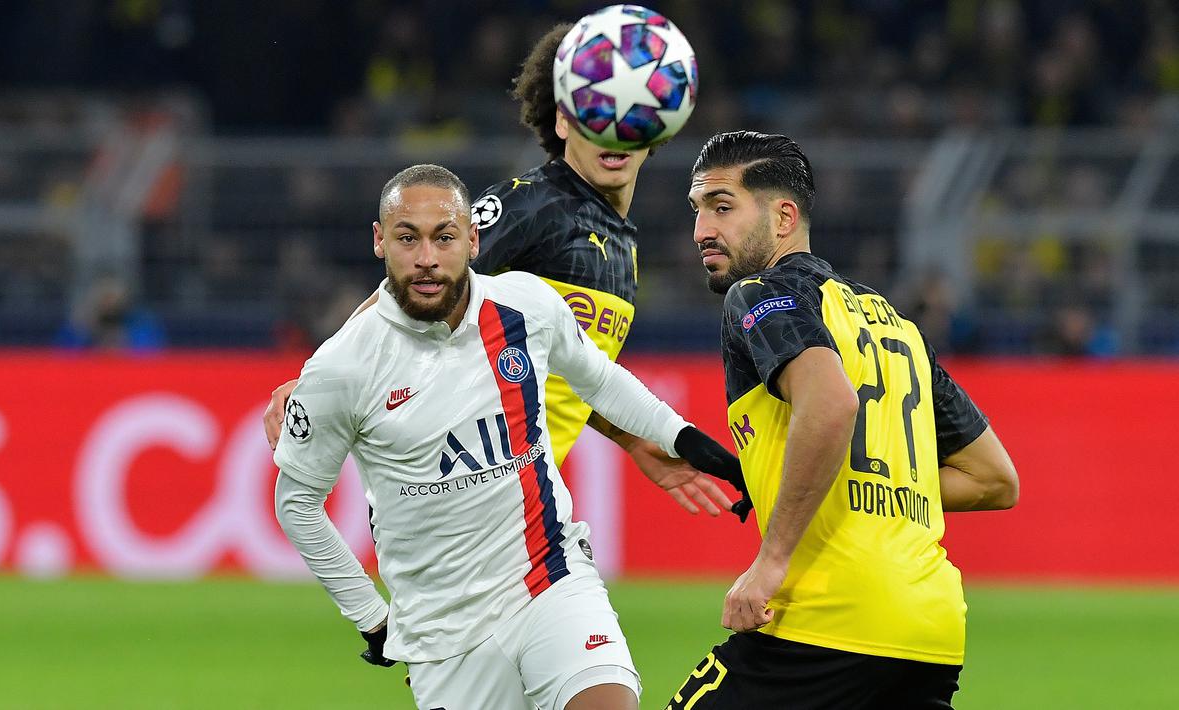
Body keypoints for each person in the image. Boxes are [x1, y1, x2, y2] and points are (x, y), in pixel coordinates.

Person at [274, 164, 744, 710]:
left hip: (549, 579)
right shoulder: (343, 367)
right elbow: (297, 503)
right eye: (408, 238)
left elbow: (599, 379)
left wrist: (683, 437)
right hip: (443, 633)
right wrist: (372, 619)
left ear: (473, 238)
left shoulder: (525, 304)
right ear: (380, 241)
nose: (427, 258)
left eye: (444, 237)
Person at [264, 23, 743, 519]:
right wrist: (316, 376)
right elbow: (405, 285)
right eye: (594, 115)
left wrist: (633, 439)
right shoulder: (530, 203)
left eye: (629, 121)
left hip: (516, 505)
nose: (612, 134)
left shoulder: (622, 246)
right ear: (561, 122)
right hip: (458, 497)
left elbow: (557, 368)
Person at [668, 131, 1020, 709]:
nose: (701, 230)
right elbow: (994, 479)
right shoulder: (897, 326)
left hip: (827, 620)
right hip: (929, 631)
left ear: (785, 218)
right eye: (698, 209)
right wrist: (820, 483)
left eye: (722, 207)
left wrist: (770, 560)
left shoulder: (760, 293)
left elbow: (830, 404)